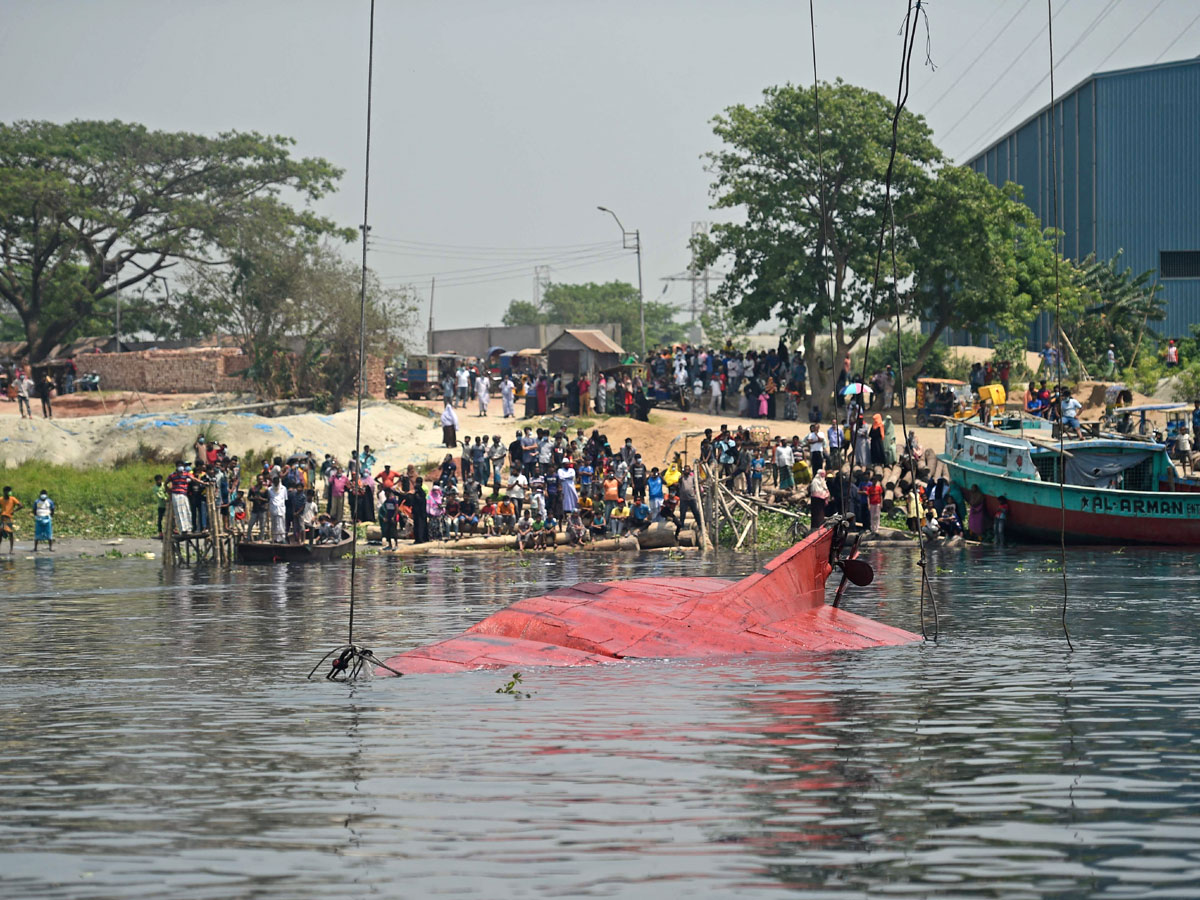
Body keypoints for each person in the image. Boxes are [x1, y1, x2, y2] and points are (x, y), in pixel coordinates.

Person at [1, 486, 22, 553]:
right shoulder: (1, 499)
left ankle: (11, 549)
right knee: (0, 534)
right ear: (5, 492)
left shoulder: (12, 499)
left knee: (10, 533)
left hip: (8, 518)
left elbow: (20, 505)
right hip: (2, 518)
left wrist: (14, 511)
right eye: (8, 491)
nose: (9, 492)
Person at [267, 476, 287, 542]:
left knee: (282, 524)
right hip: (273, 509)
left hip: (281, 509)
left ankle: (282, 538)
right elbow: (269, 499)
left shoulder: (283, 489)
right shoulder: (269, 489)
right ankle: (274, 539)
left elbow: (285, 498)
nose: (276, 484)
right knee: (274, 524)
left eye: (277, 483)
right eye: (275, 483)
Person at [153, 474, 168, 538]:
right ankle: (160, 532)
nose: (159, 481)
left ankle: (172, 530)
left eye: (160, 480)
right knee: (160, 519)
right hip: (161, 505)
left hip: (168, 505)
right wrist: (165, 499)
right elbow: (159, 496)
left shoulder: (164, 485)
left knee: (170, 518)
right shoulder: (155, 488)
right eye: (157, 480)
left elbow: (167, 491)